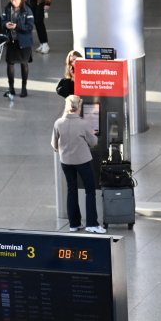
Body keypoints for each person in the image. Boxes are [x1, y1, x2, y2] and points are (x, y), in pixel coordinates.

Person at [52, 95, 102, 234]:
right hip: (82, 161)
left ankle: (74, 223)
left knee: (71, 190)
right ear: (78, 107)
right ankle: (92, 223)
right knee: (89, 190)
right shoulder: (83, 123)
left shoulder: (58, 123)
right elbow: (94, 142)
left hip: (66, 162)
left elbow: (54, 145)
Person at [1, 0, 36, 98]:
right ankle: (11, 89)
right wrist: (6, 24)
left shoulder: (27, 10)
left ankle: (24, 88)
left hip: (24, 42)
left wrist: (17, 26)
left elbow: (30, 27)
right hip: (11, 41)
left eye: (15, 0)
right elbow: (2, 21)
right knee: (10, 63)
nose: (13, 2)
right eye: (11, 0)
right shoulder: (7, 9)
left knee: (24, 63)